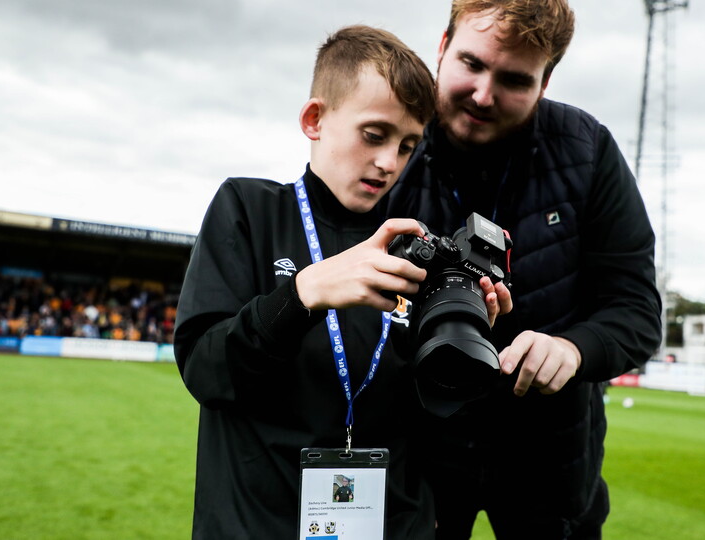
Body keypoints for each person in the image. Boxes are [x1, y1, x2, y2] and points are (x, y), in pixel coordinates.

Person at [174, 25, 508, 539]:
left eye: (407, 145)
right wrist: (302, 294)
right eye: (374, 135)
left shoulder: (415, 247)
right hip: (257, 525)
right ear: (315, 119)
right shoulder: (249, 209)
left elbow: (436, 419)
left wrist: (463, 336)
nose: (388, 162)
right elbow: (206, 370)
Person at [386, 1, 662, 538]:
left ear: (546, 79)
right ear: (442, 47)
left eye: (514, 79)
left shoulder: (586, 150)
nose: (484, 95)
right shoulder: (390, 144)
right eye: (471, 63)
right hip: (418, 456)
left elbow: (636, 312)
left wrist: (573, 347)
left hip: (550, 462)